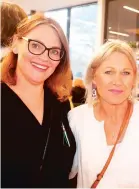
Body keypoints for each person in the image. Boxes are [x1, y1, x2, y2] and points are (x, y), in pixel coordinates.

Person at [68, 40, 139, 188]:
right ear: (94, 76)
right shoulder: (77, 119)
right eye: (109, 72)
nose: (117, 81)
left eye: (126, 73)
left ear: (134, 79)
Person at [1, 13, 76, 188]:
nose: (44, 57)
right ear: (15, 44)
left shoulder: (60, 103)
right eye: (35, 45)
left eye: (54, 51)